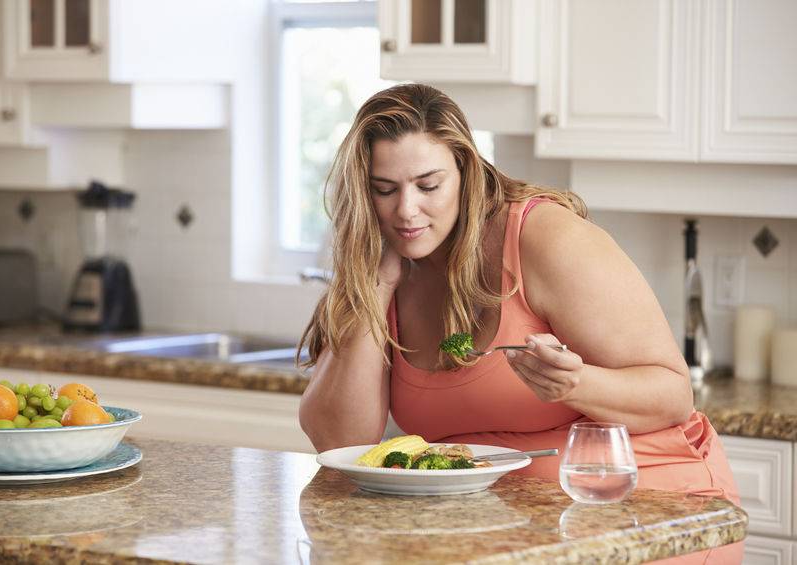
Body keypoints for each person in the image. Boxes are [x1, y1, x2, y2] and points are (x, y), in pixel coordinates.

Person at [297, 84, 740, 563]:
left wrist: (575, 383)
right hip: (500, 525)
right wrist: (376, 284)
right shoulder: (383, 263)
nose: (406, 211)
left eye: (429, 186)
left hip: (649, 511)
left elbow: (674, 395)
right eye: (384, 190)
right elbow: (341, 445)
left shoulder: (544, 239)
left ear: (466, 171)